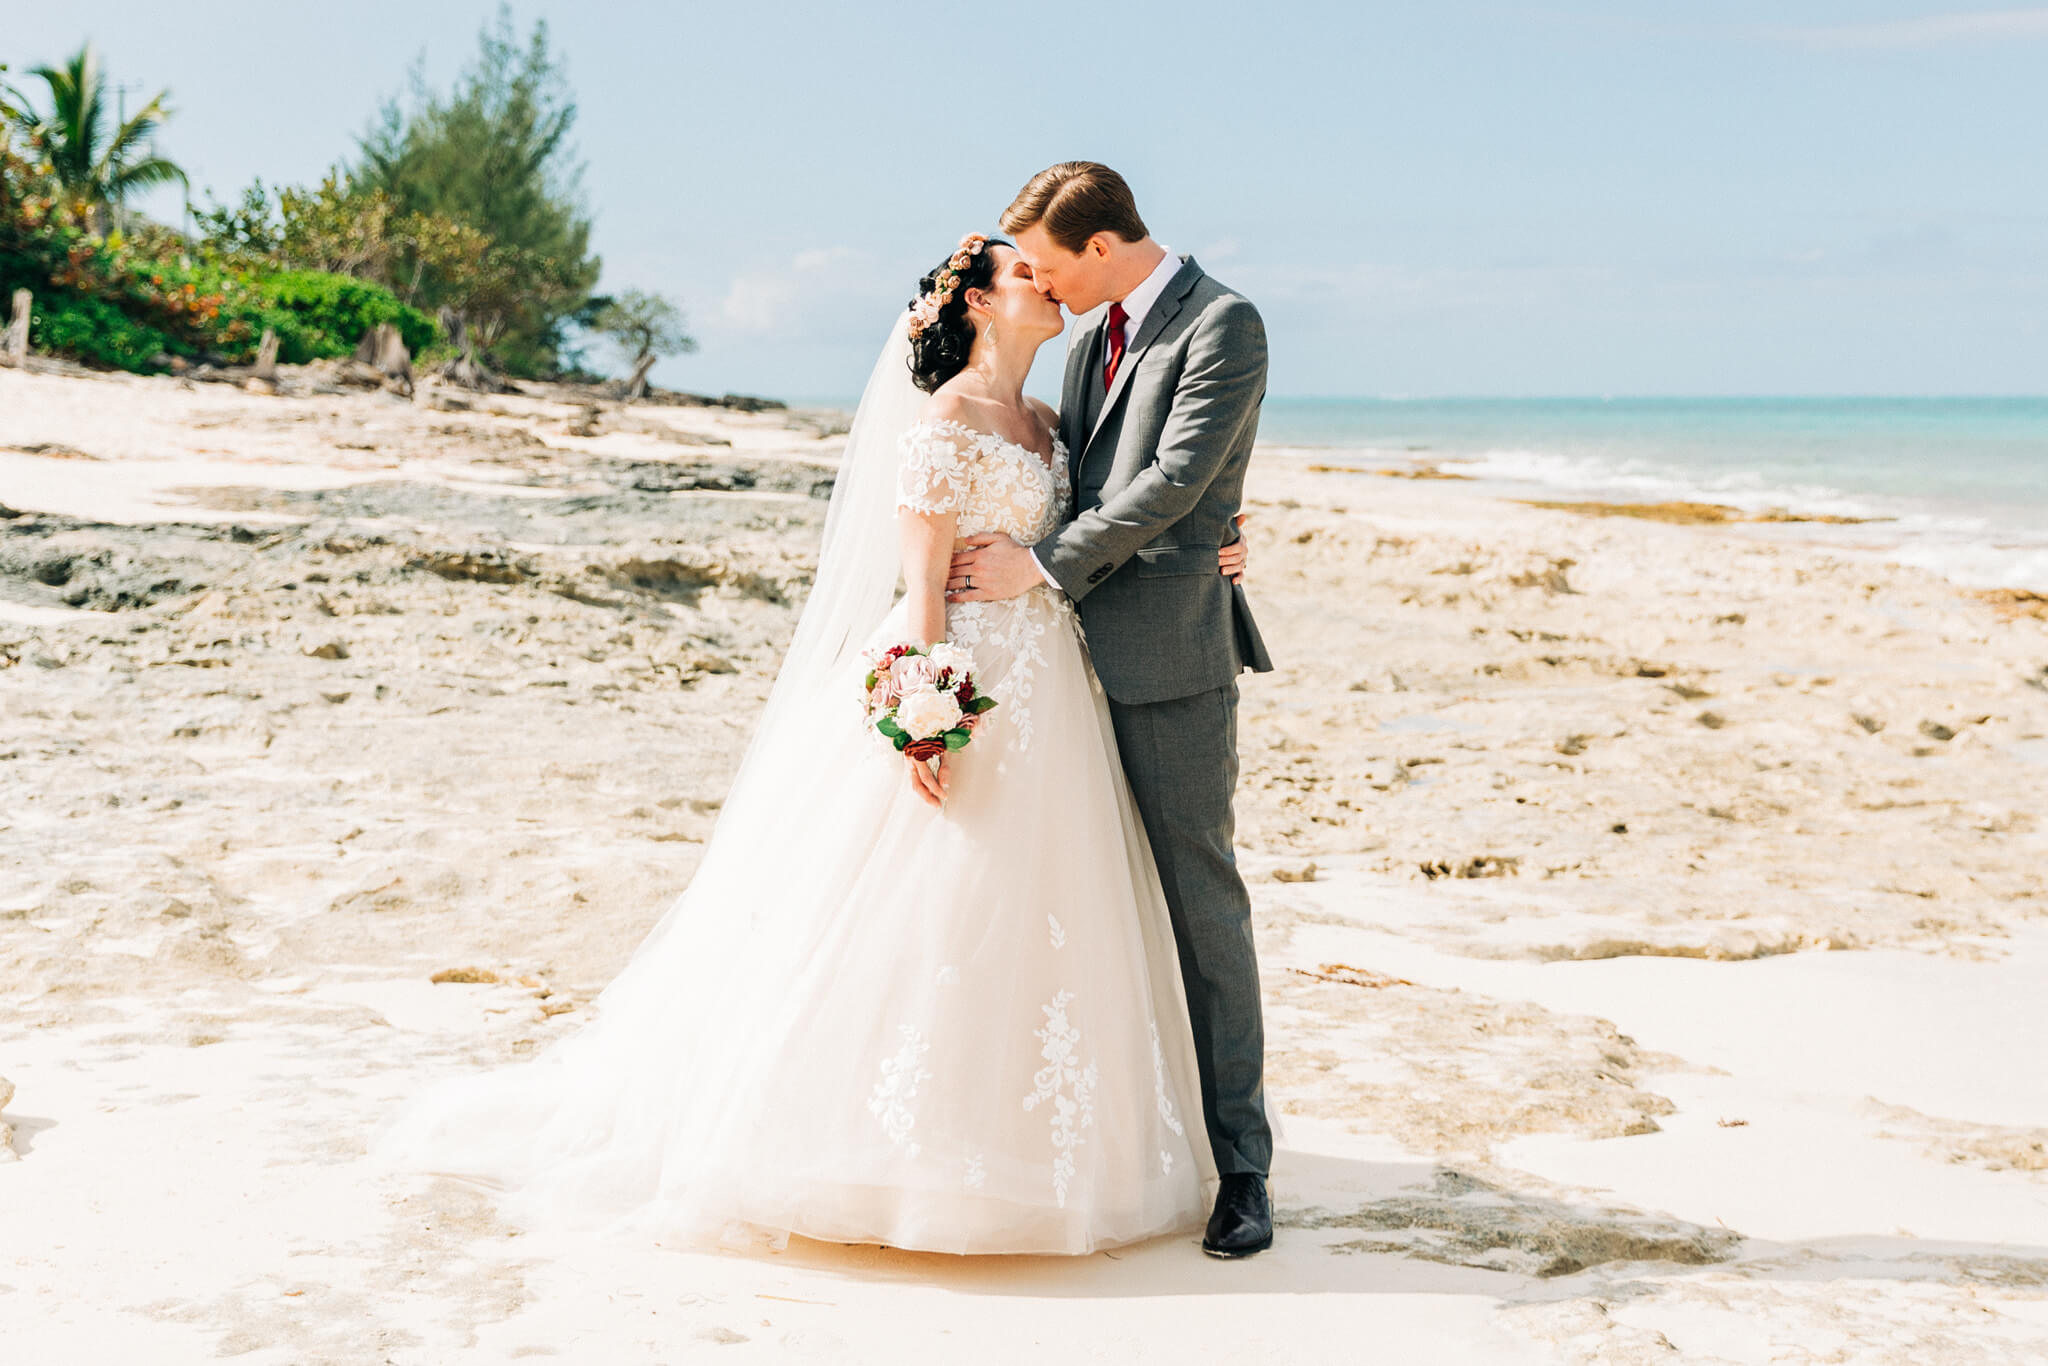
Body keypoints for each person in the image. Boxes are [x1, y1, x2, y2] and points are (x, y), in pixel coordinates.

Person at [372, 225, 1262, 1257]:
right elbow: (922, 585)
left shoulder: (1050, 416)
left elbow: (1125, 500)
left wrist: (1216, 544)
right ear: (975, 302)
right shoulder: (941, 425)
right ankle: (889, 1150)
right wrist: (927, 711)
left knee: (1048, 910)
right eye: (1024, 273)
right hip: (969, 677)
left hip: (1057, 689)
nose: (1048, 284)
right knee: (931, 910)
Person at [948, 162, 1276, 1257]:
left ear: (1098, 247)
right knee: (1083, 904)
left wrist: (1042, 565)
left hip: (1165, 658)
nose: (1041, 284)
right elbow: (1079, 480)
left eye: (1046, 264)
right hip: (1055, 667)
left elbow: (1177, 477)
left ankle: (1240, 1170)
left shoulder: (1222, 324)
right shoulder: (1088, 342)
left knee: (1198, 906)